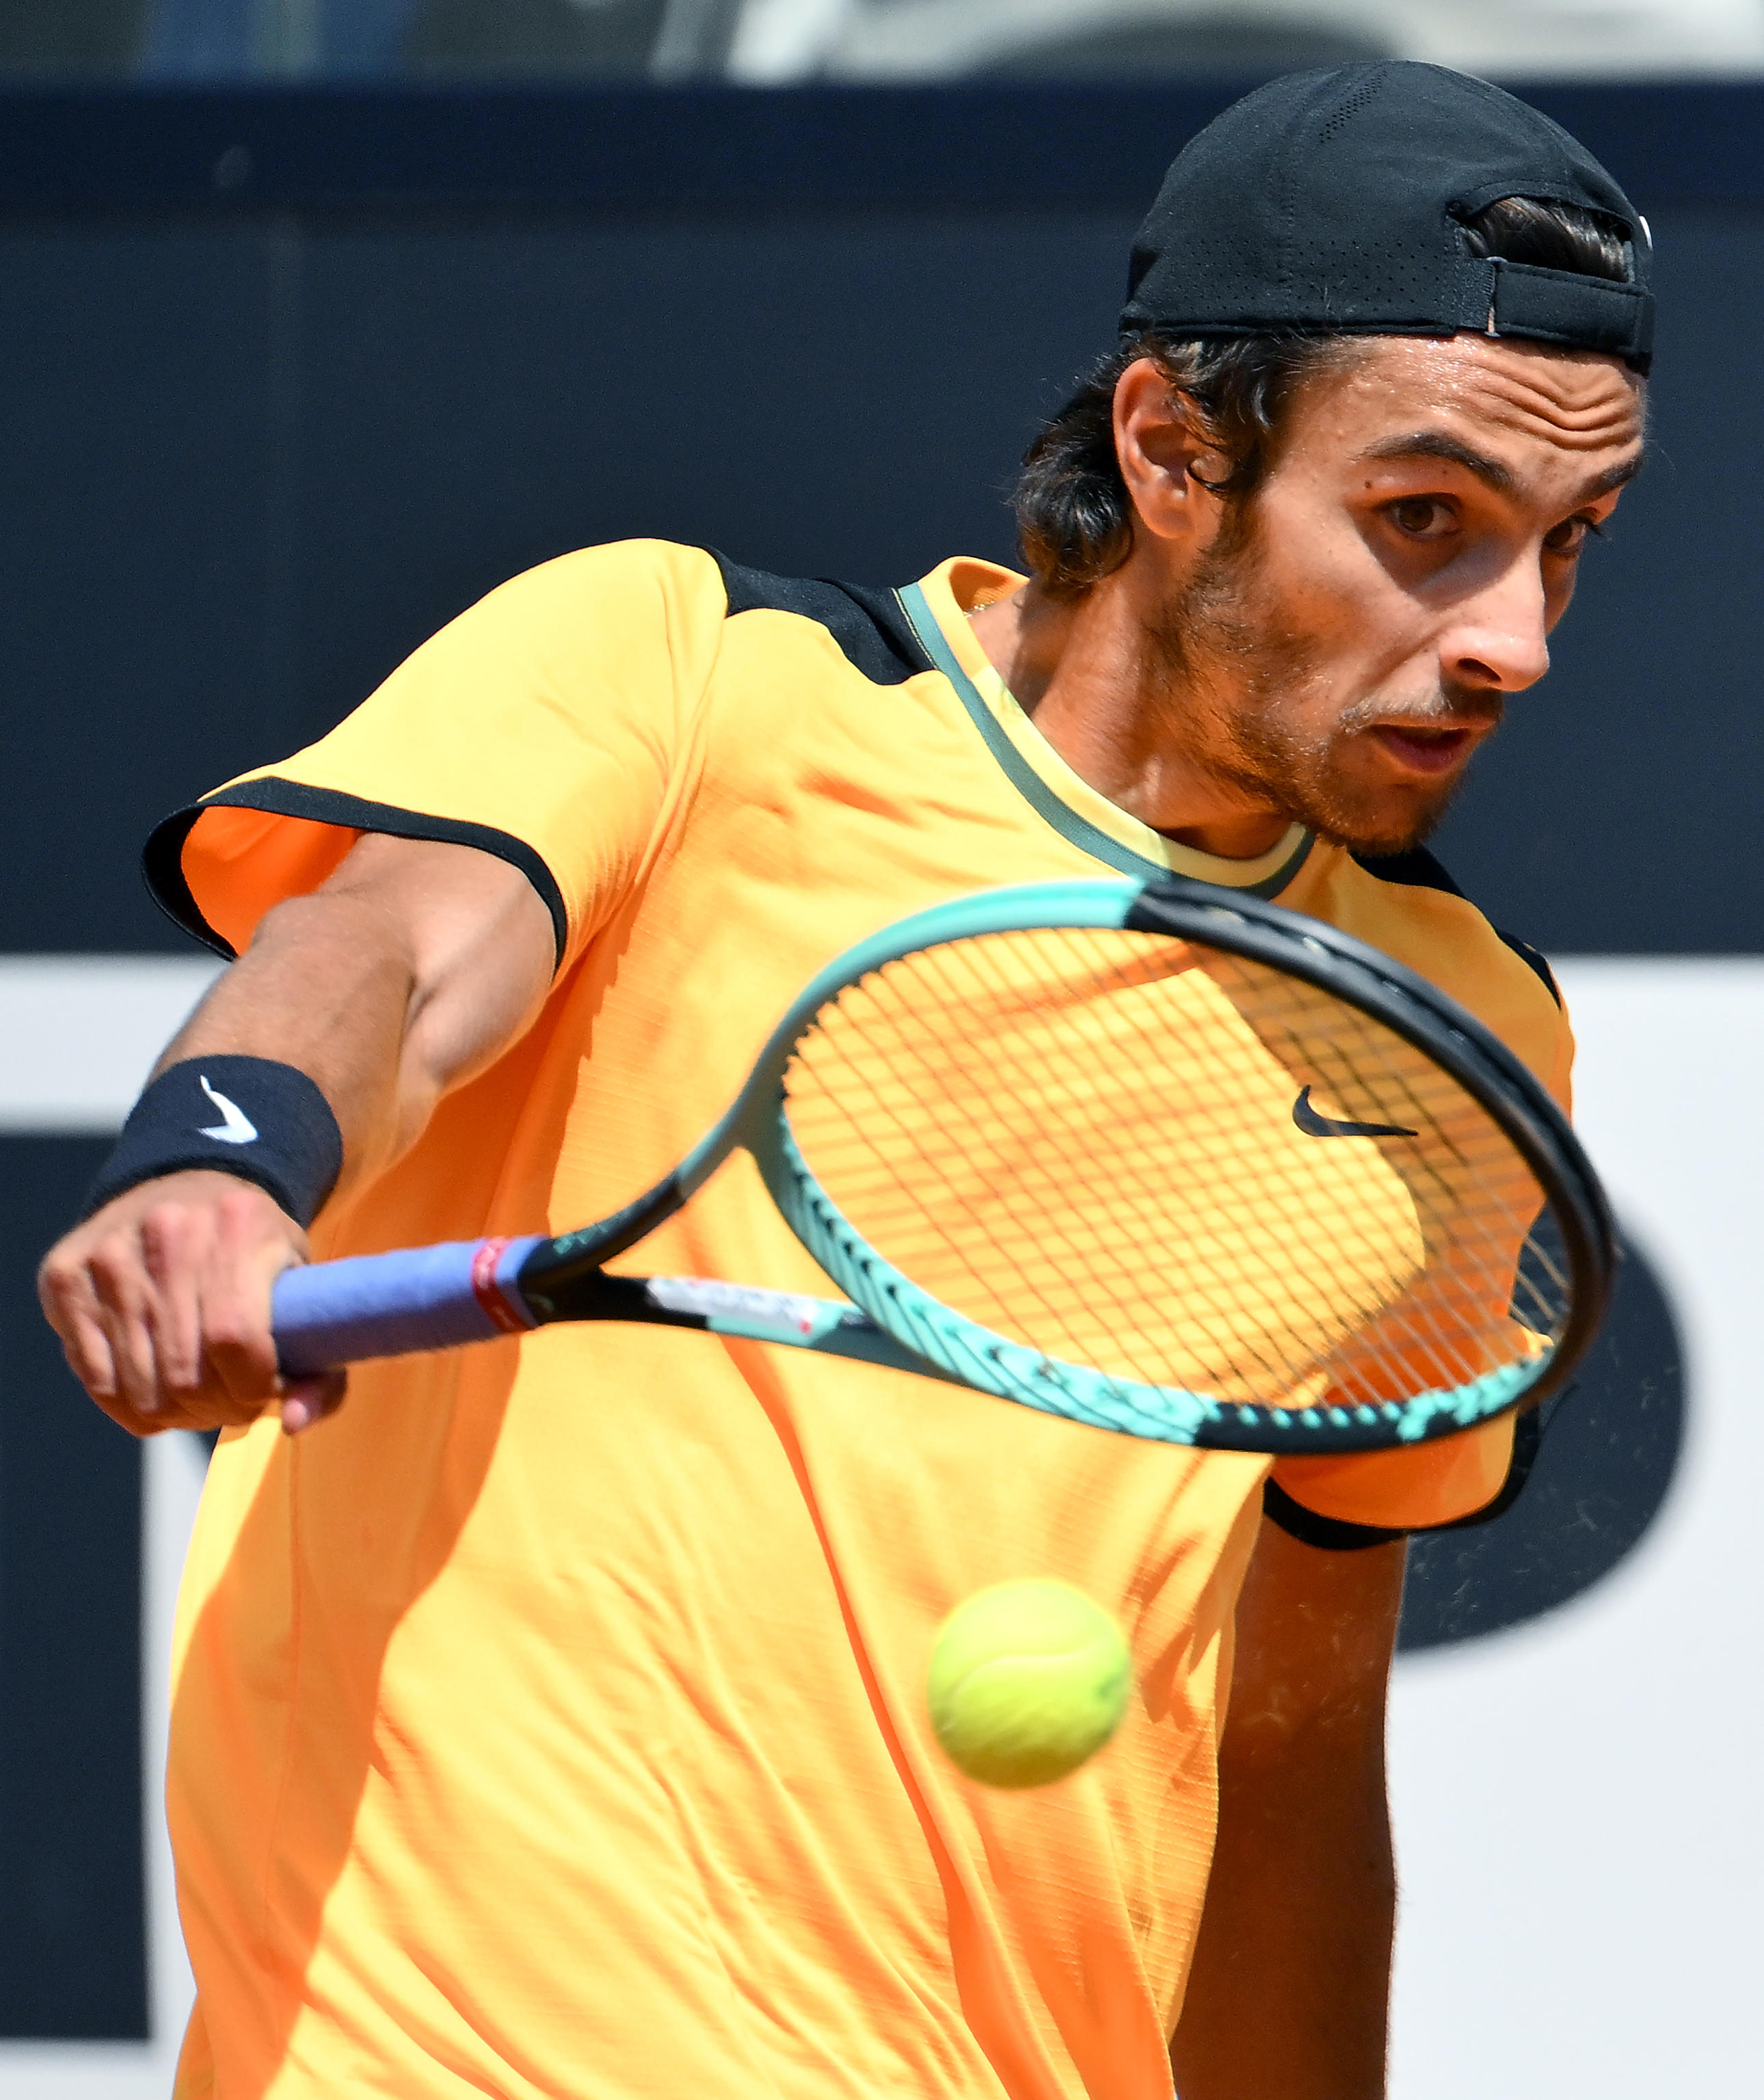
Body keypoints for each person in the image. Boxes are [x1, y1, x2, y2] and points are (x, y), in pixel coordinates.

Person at [38, 62, 1648, 2100]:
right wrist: (227, 1159)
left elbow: (1291, 1745)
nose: (1511, 637)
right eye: (1425, 524)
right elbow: (389, 953)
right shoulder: (695, 672)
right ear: (1170, 448)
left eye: (1568, 543)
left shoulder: (1462, 1042)